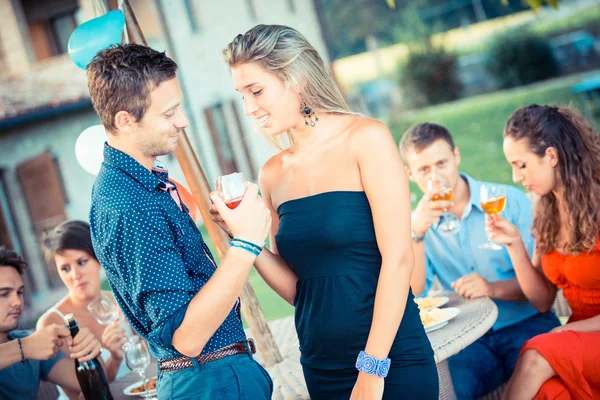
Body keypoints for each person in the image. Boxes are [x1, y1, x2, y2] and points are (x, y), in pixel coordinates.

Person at [212, 24, 438, 399]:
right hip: (321, 366)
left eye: (256, 91)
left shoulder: (367, 139)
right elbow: (301, 291)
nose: (249, 109)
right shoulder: (272, 174)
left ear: (296, 79)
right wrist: (244, 237)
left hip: (391, 360)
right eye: (242, 95)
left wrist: (372, 367)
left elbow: (399, 259)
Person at [87, 43, 273, 399]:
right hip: (207, 383)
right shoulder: (127, 203)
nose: (183, 121)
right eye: (169, 113)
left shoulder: (141, 185)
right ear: (126, 120)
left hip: (218, 378)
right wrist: (246, 243)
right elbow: (186, 337)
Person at [399, 122, 560, 399]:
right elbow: (415, 294)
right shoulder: (416, 224)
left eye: (442, 163)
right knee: (450, 390)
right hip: (469, 337)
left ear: (457, 157)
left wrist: (493, 288)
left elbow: (544, 288)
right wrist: (416, 234)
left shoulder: (507, 201)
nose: (435, 177)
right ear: (409, 173)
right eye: (424, 170)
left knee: (546, 390)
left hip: (526, 323)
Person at [490, 105, 600, 399]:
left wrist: (564, 333)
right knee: (547, 391)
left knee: (537, 353)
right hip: (579, 340)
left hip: (581, 336)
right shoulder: (547, 209)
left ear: (551, 156)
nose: (515, 177)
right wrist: (514, 245)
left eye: (521, 165)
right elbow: (542, 301)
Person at [38, 220, 130, 399]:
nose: (75, 275)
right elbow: (82, 395)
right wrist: (115, 358)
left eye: (81, 262)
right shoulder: (53, 323)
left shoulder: (120, 300)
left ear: (98, 259)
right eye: (65, 268)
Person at [0, 246, 103, 399]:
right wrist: (24, 347)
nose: (17, 302)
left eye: (19, 292)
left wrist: (88, 351)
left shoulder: (28, 342)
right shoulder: (28, 345)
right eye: (4, 294)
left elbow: (94, 384)